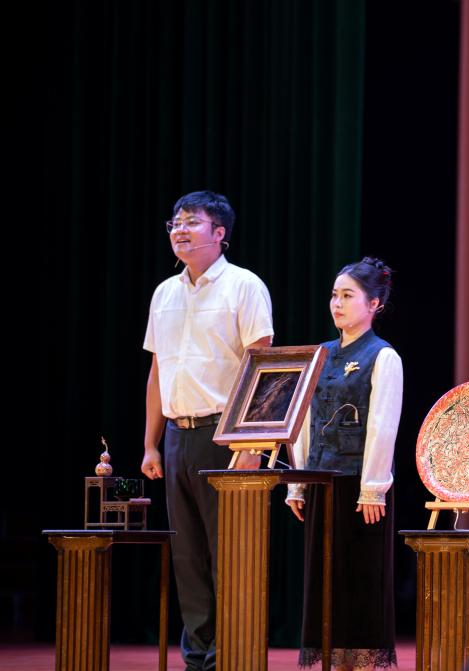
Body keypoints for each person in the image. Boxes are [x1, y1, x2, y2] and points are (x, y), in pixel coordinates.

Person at [140, 190, 274, 670]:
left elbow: (262, 367)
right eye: (175, 222)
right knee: (188, 554)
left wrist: (253, 442)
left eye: (191, 222)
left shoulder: (244, 286)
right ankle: (198, 657)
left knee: (229, 551)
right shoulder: (164, 293)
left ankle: (232, 654)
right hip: (178, 435)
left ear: (219, 233)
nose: (179, 230)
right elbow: (158, 372)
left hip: (226, 436)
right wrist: (151, 444)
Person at [286, 257, 402, 670]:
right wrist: (297, 482)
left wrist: (373, 488)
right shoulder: (320, 354)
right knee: (325, 580)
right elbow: (302, 419)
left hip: (360, 487)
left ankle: (363, 663)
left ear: (374, 304)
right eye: (334, 295)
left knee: (359, 577)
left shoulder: (382, 356)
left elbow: (382, 425)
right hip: (321, 480)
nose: (337, 303)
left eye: (348, 296)